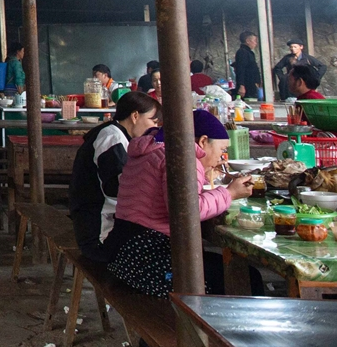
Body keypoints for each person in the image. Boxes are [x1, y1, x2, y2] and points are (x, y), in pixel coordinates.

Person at [108, 108, 254, 297]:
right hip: (149, 260)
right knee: (245, 277)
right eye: (222, 150)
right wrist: (230, 193)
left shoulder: (156, 149)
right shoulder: (182, 158)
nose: (221, 157)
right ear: (203, 141)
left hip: (124, 252)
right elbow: (187, 211)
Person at [68, 92, 159, 264]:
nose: (154, 128)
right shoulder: (112, 138)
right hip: (98, 235)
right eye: (152, 121)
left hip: (94, 224)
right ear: (135, 116)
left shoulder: (114, 134)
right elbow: (117, 189)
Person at [232, 32, 262, 100]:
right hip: (247, 85)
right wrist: (241, 85)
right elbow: (240, 69)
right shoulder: (242, 52)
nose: (256, 43)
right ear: (248, 41)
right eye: (254, 41)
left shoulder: (249, 53)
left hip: (252, 84)